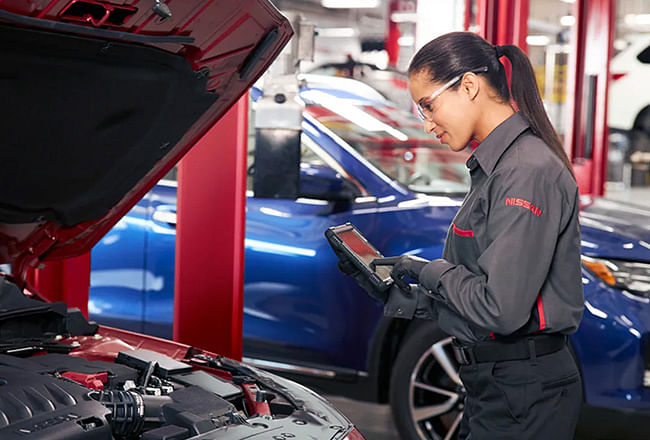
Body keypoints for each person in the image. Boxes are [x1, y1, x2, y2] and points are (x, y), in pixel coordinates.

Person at [337, 32, 584, 439]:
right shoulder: (498, 166)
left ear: (469, 86)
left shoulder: (524, 172)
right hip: (499, 384)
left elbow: (500, 309)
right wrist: (413, 296)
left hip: (524, 391)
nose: (428, 123)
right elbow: (484, 294)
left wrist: (427, 270)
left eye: (428, 106)